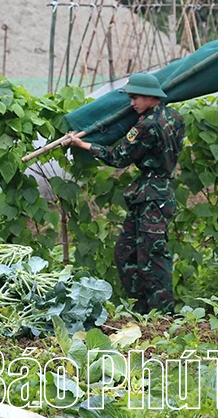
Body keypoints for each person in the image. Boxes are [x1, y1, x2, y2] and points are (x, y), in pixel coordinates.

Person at [62, 72, 185, 314]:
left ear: (151, 97)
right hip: (154, 194)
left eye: (135, 97)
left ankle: (162, 315)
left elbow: (118, 157)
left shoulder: (146, 125)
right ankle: (142, 310)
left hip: (153, 196)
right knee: (126, 251)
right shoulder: (175, 117)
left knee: (152, 256)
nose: (131, 103)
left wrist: (82, 144)